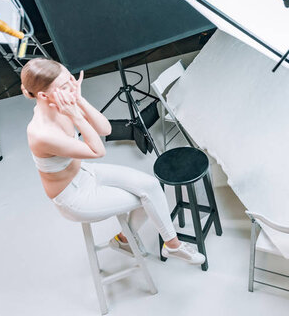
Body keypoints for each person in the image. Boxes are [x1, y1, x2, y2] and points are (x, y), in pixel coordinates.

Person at [21, 58, 204, 264]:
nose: (72, 86)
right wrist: (77, 117)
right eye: (65, 86)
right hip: (74, 198)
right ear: (44, 95)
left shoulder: (61, 103)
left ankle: (164, 244)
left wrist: (79, 99)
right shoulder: (42, 133)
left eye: (71, 79)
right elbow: (98, 151)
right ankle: (141, 241)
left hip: (84, 173)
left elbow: (105, 129)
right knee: (148, 198)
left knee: (151, 187)